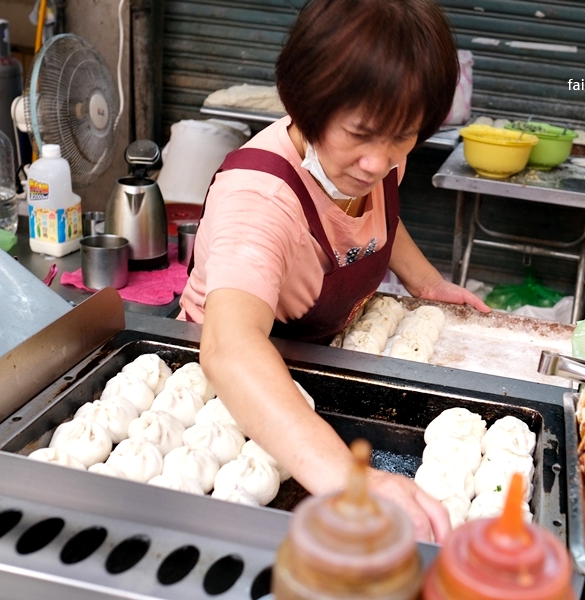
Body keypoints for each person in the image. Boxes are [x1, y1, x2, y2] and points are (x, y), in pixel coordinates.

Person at [179, 0, 490, 542]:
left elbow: (375, 222)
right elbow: (230, 348)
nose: (379, 161)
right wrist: (348, 479)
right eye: (362, 134)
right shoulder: (260, 200)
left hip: (311, 369)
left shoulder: (379, 151)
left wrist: (427, 283)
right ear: (306, 102)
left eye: (403, 135)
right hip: (232, 395)